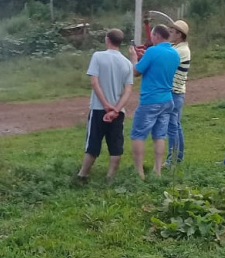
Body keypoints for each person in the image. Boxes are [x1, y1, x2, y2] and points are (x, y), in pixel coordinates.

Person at [76, 29, 134, 182]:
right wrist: (116, 109)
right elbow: (128, 90)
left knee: (93, 143)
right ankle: (110, 177)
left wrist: (106, 105)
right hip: (118, 112)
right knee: (116, 146)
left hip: (98, 109)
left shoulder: (98, 56)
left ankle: (82, 175)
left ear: (107, 39)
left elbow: (94, 83)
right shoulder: (127, 63)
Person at [128, 24, 180, 179]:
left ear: (156, 35)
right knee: (160, 136)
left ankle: (140, 172)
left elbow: (136, 72)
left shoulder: (152, 51)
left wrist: (133, 58)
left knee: (138, 134)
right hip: (167, 99)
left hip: (150, 100)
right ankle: (157, 171)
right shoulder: (175, 53)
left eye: (152, 36)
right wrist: (146, 56)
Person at [166, 20, 191, 165]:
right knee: (175, 125)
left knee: (172, 127)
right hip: (177, 92)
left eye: (171, 32)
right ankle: (177, 157)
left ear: (179, 34)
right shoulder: (176, 47)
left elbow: (164, 60)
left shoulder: (180, 51)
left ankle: (173, 159)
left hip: (174, 93)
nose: (169, 34)